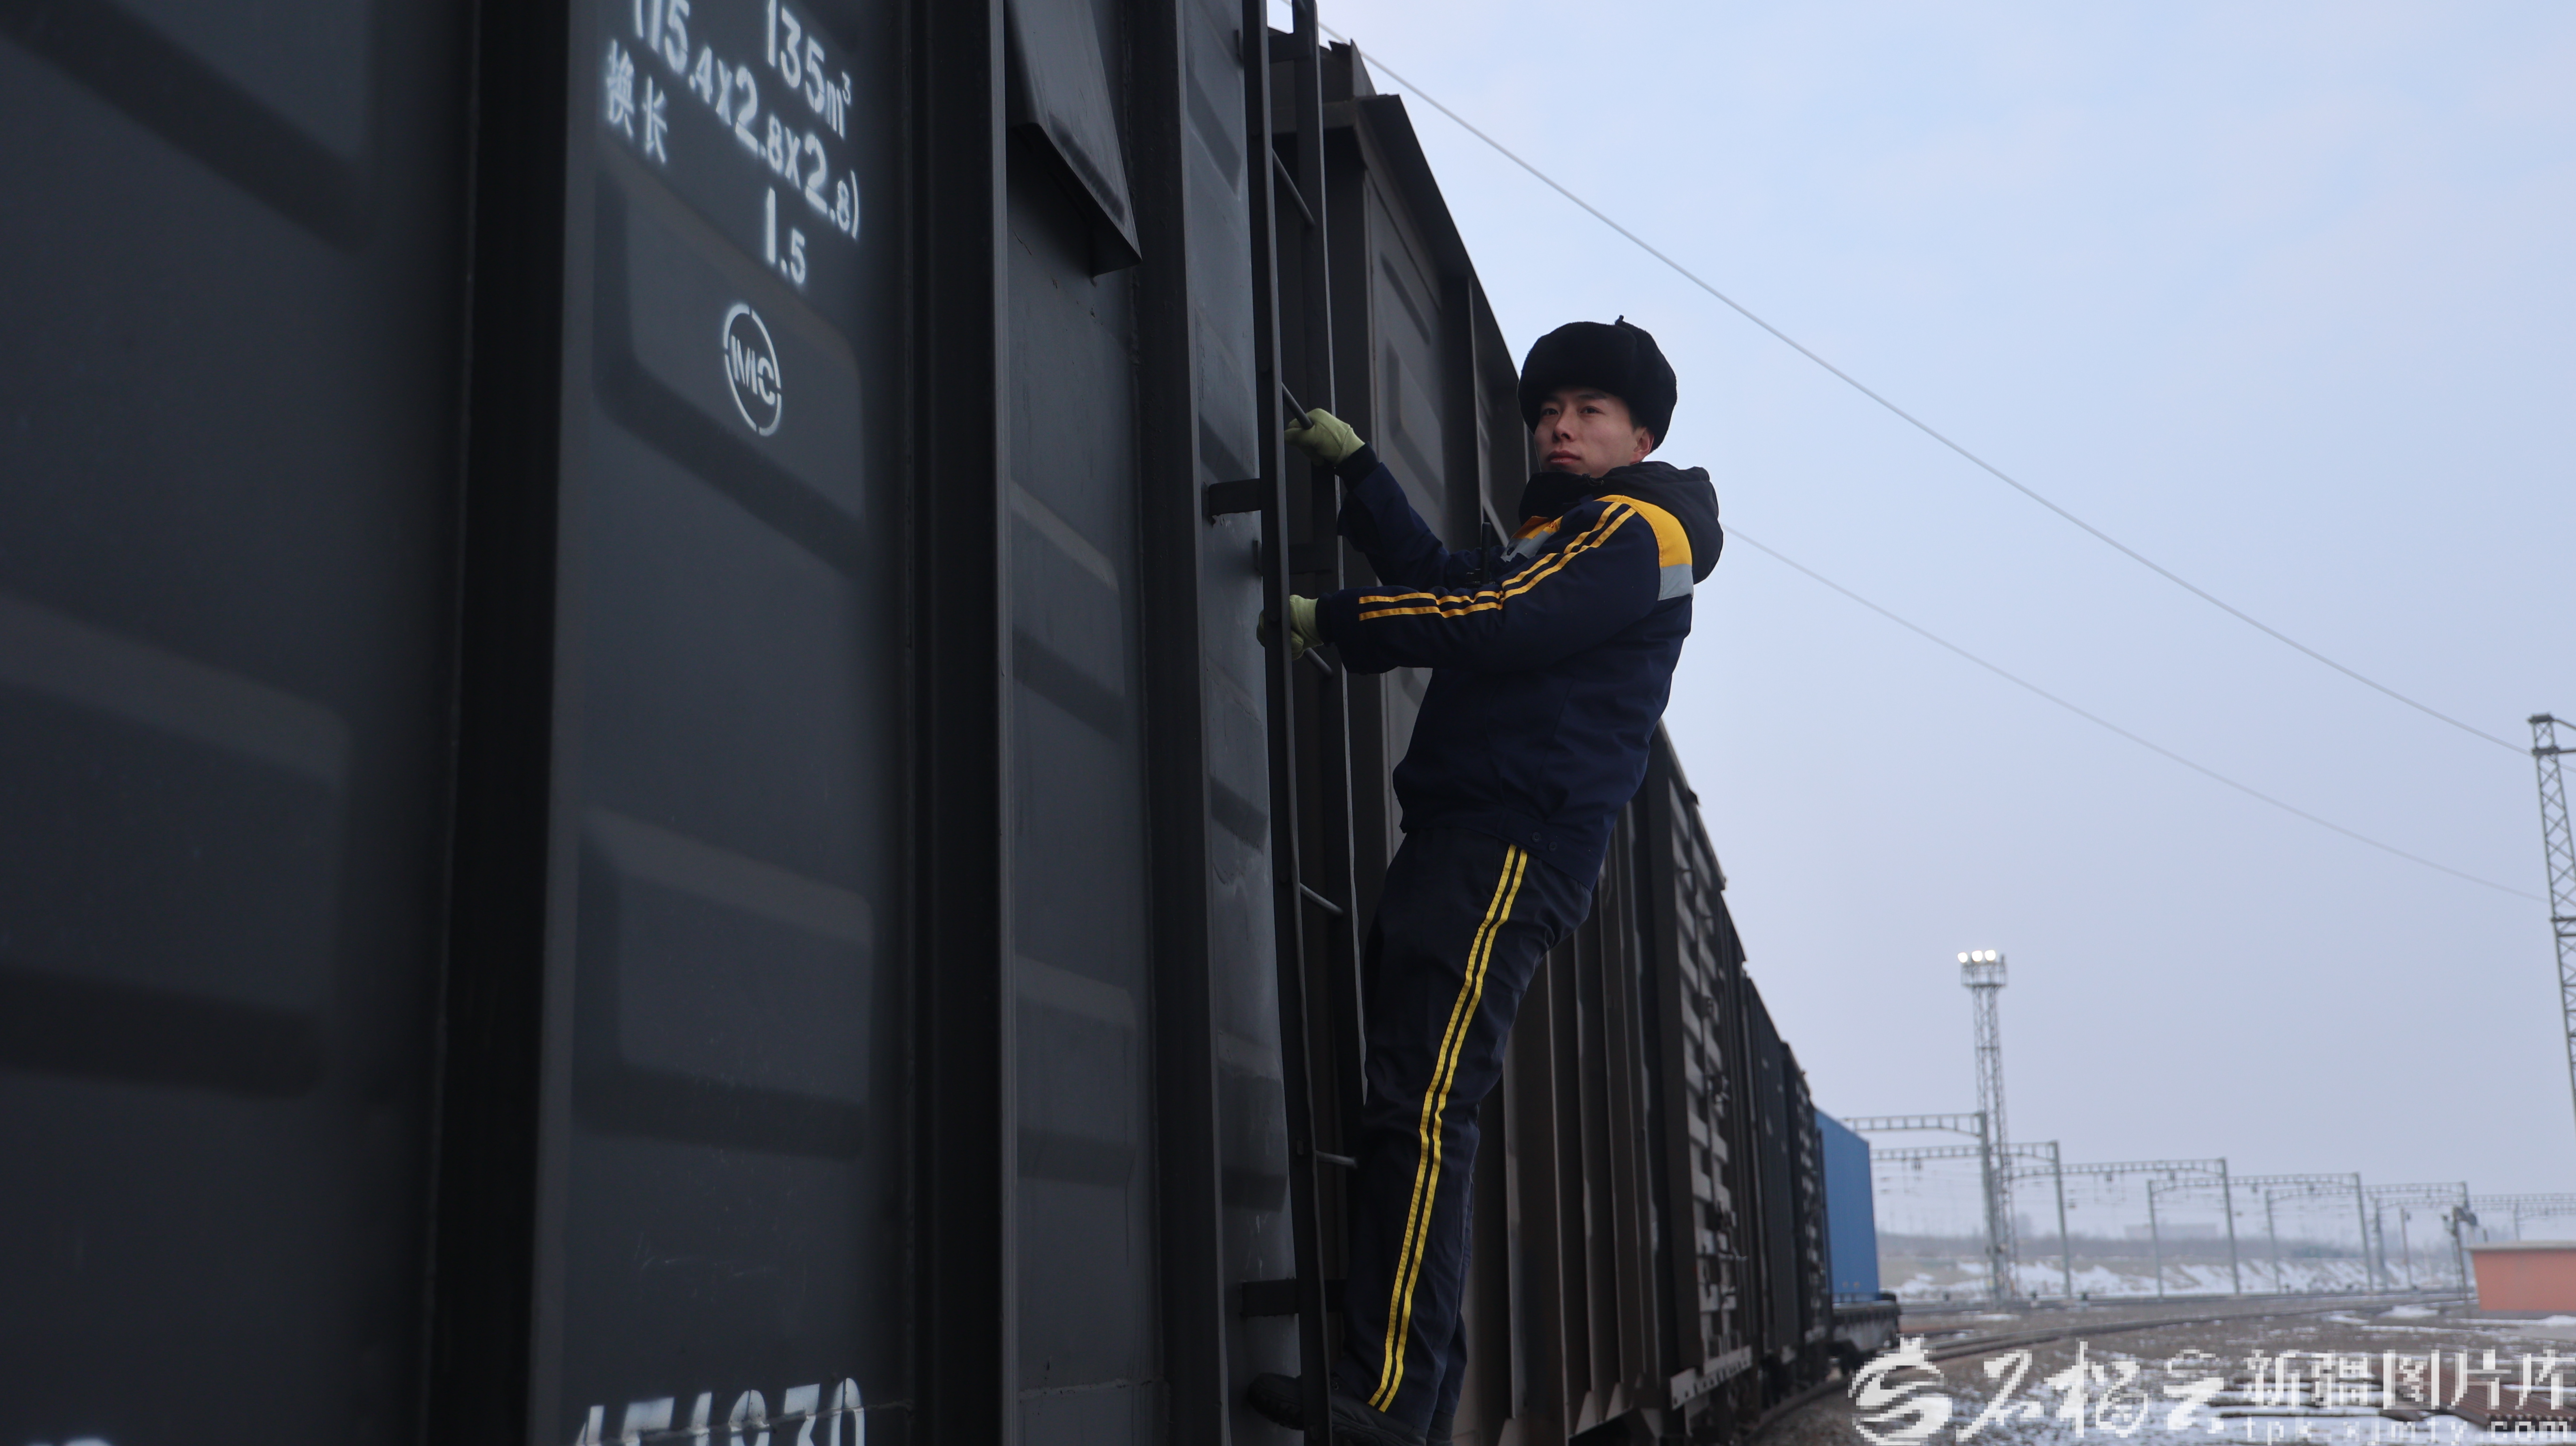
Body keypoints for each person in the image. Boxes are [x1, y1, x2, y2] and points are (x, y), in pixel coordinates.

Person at [1248, 319, 1722, 1446]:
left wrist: (1337, 622)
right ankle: (1404, 1390)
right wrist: (1362, 477)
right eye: (1548, 410)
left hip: (1510, 847)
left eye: (1589, 411)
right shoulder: (1562, 537)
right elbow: (1454, 581)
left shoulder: (1636, 530)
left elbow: (1499, 621)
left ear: (1641, 437)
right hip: (1466, 839)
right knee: (1409, 1107)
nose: (1559, 426)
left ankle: (1387, 1400)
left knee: (1422, 1108)